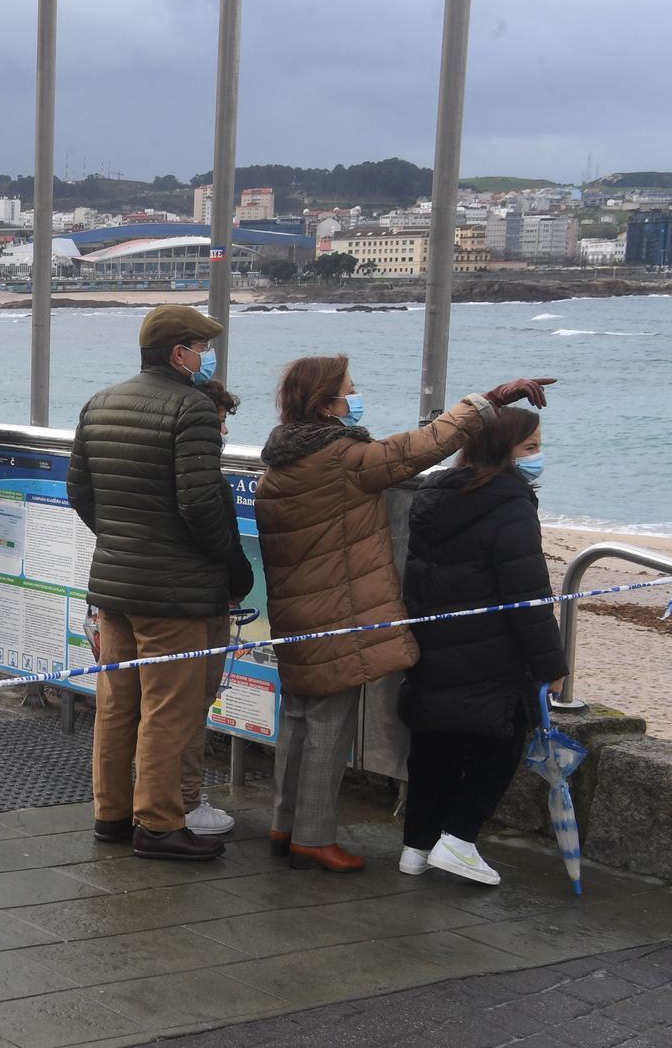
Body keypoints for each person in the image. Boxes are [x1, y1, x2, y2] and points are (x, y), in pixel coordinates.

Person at [256, 358, 553, 873]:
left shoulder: (281, 460)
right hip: (337, 612)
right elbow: (426, 445)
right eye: (351, 390)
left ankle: (284, 825)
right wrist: (490, 400)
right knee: (329, 723)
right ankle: (312, 837)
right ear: (326, 405)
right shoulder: (342, 458)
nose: (358, 396)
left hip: (293, 609)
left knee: (299, 720)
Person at [68, 305, 244, 862]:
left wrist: (121, 537)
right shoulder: (191, 407)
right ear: (179, 353)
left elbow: (81, 491)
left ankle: (112, 814)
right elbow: (199, 501)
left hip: (115, 581)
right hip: (173, 591)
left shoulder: (100, 402)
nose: (207, 356)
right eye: (201, 346)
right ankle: (160, 825)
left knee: (118, 704)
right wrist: (226, 564)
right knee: (170, 709)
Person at [398, 405, 566, 885]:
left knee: (434, 744)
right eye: (530, 448)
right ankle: (460, 839)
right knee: (505, 738)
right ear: (502, 451)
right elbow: (528, 596)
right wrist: (551, 663)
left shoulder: (433, 497)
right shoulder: (511, 506)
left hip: (434, 646)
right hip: (492, 652)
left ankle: (417, 846)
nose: (537, 457)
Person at [179, 379, 257, 836]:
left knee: (137, 707)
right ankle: (183, 804)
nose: (224, 432)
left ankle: (128, 804)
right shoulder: (205, 480)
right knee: (188, 708)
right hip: (194, 604)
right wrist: (240, 583)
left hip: (129, 596)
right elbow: (220, 540)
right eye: (221, 422)